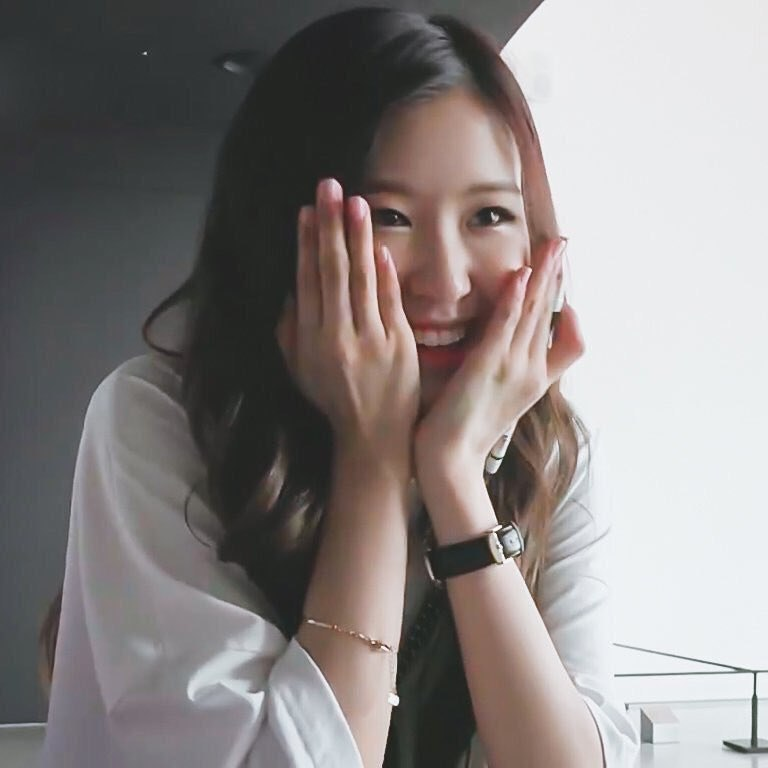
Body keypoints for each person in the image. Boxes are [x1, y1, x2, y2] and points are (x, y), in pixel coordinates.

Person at [38, 7, 641, 767]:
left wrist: (455, 476)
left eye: (489, 214)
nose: (447, 282)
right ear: (282, 234)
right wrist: (373, 460)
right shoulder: (156, 423)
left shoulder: (551, 452)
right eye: (389, 217)